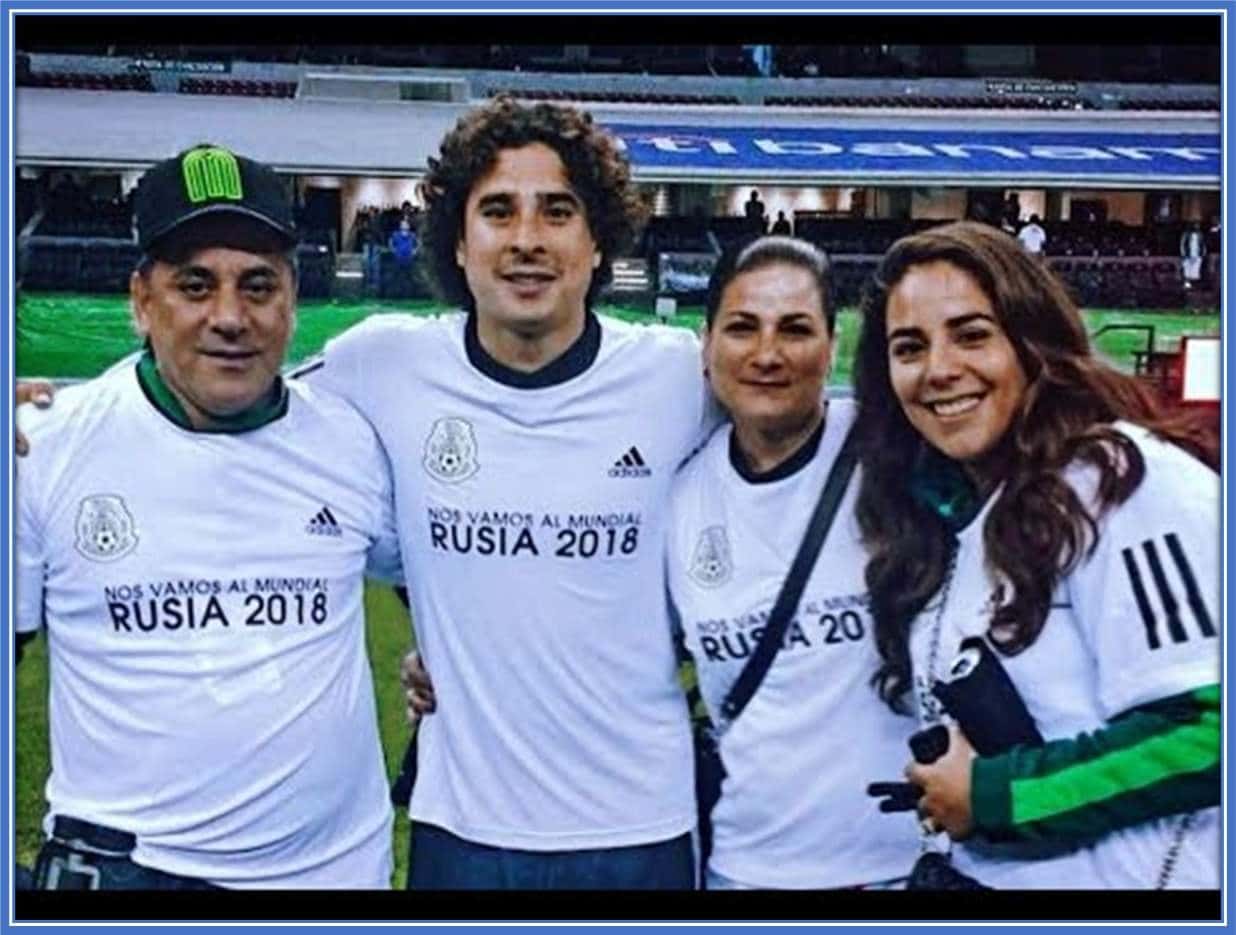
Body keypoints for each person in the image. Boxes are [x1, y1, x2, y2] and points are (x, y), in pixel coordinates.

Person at [299, 97, 715, 889]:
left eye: (557, 211)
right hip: (462, 827)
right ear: (458, 243)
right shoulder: (379, 363)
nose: (526, 239)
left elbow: (814, 444)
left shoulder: (674, 374)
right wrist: (48, 412)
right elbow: (246, 410)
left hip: (641, 826)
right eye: (497, 211)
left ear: (599, 244)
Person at [15, 144, 404, 889]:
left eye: (258, 285)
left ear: (293, 297)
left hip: (333, 876)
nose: (230, 316)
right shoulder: (44, 444)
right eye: (196, 284)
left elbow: (458, 589)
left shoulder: (355, 441)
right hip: (134, 873)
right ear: (140, 299)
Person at [852, 220, 1219, 889]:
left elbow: (1209, 733)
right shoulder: (954, 513)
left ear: (1031, 343)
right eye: (909, 347)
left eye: (972, 334)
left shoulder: (1120, 479)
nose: (939, 369)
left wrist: (995, 796)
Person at [666, 237, 916, 889]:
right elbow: (610, 649)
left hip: (906, 866)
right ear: (706, 341)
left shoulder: (902, 460)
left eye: (795, 329)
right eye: (742, 327)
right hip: (743, 870)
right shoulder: (676, 499)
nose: (767, 354)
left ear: (834, 345)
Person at [1179, 220, 1206, 290]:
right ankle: (1187, 285)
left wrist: (1203, 253)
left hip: (1197, 255)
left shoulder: (1200, 234)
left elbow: (1203, 244)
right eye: (1196, 225)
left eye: (1198, 225)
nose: (1197, 226)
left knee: (1196, 271)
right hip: (1188, 255)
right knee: (1187, 271)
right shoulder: (1186, 234)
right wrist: (1183, 254)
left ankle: (1194, 285)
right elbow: (1182, 244)